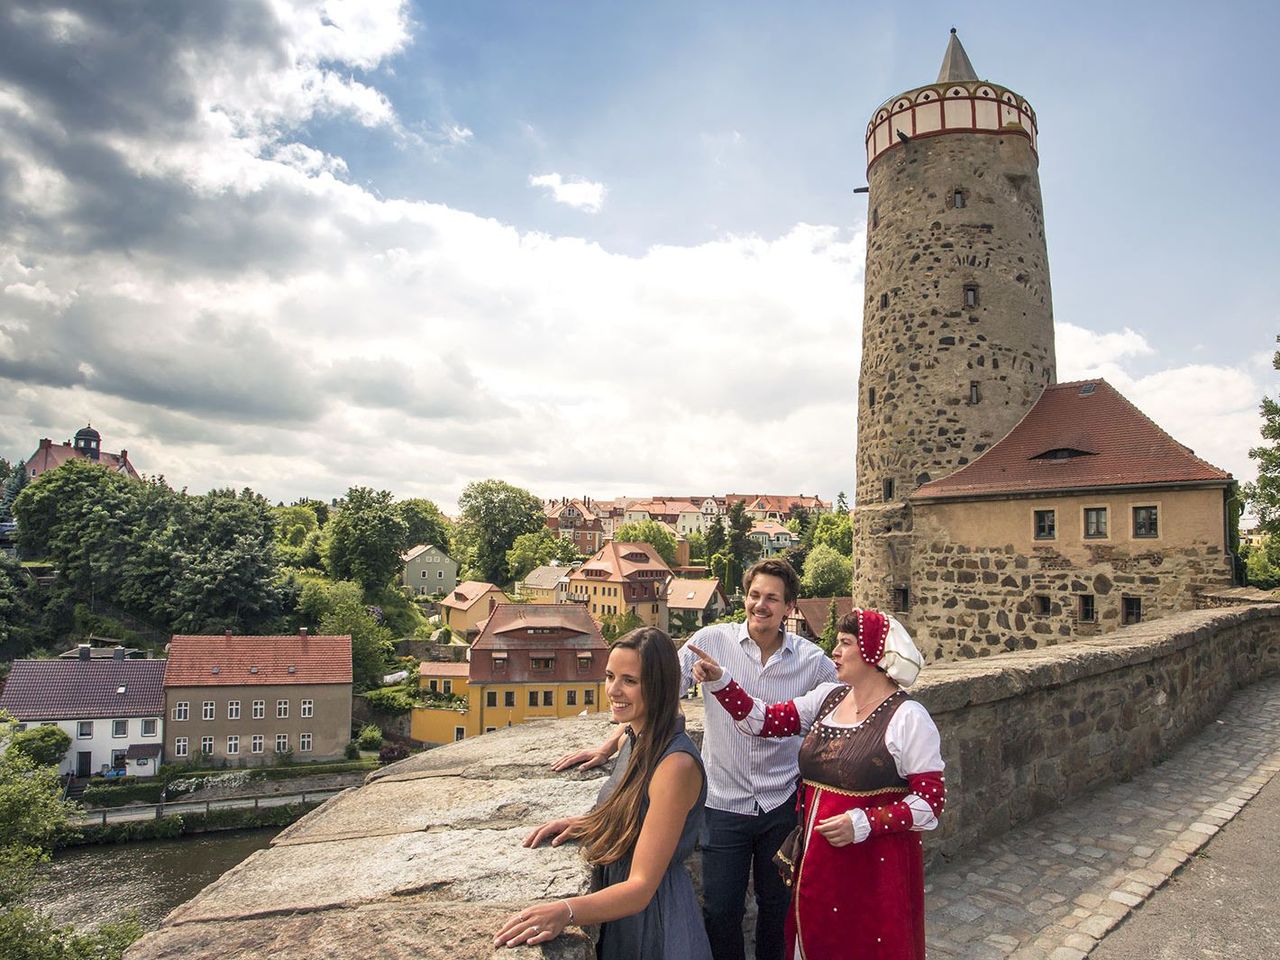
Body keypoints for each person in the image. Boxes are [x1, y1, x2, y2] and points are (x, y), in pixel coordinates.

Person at [555, 558, 835, 960]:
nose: (761, 605)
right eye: (755, 595)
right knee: (721, 911)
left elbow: (847, 704)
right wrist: (610, 743)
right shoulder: (711, 643)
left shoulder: (812, 661)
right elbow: (656, 695)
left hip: (781, 804)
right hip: (723, 805)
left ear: (790, 606)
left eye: (772, 598)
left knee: (778, 909)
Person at [691, 609, 945, 960]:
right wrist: (722, 682)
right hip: (817, 863)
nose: (835, 652)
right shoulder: (829, 698)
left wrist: (864, 823)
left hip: (872, 866)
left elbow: (929, 803)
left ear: (874, 653)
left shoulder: (908, 718)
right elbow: (761, 721)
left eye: (845, 643)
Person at [495, 627, 712, 959]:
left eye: (629, 680)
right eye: (610, 676)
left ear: (659, 686)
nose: (613, 690)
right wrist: (592, 822)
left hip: (652, 921)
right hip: (622, 912)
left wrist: (564, 910)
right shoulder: (638, 736)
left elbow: (641, 888)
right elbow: (633, 798)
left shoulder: (675, 767)